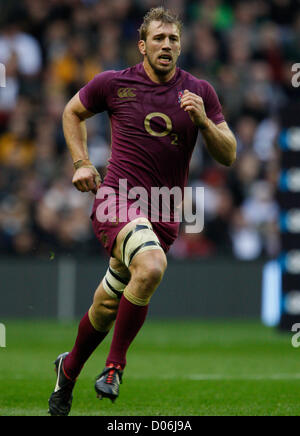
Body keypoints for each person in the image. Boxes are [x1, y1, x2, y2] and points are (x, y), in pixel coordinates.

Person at [48, 6, 236, 416]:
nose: (166, 45)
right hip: (115, 200)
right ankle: (114, 368)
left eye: (173, 39)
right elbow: (71, 112)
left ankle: (69, 369)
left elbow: (229, 154)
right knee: (150, 266)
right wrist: (81, 161)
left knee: (105, 306)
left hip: (163, 213)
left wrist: (204, 122)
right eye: (158, 39)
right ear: (142, 45)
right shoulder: (114, 84)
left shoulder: (199, 92)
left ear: (181, 45)